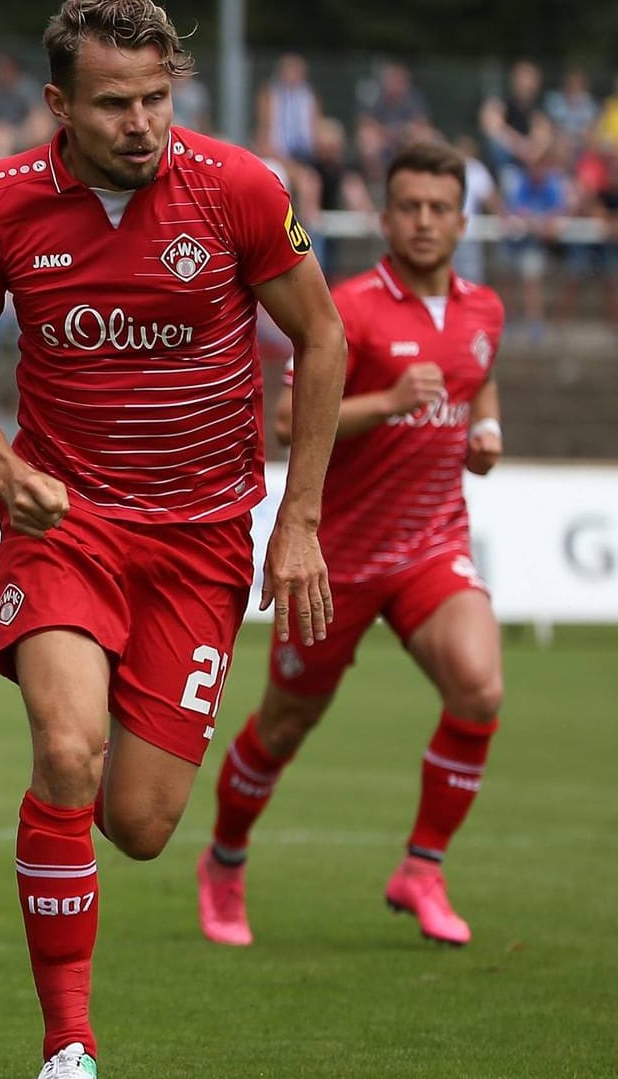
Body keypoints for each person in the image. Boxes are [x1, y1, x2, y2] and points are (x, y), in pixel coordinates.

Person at [0, 2, 345, 1075]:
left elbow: (323, 336)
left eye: (158, 97)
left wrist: (299, 520)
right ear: (59, 104)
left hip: (202, 540)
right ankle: (68, 1046)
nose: (143, 121)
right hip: (68, 524)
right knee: (67, 750)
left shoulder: (240, 189)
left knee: (142, 822)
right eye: (116, 103)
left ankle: (76, 853)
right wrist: (6, 472)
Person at [197, 141, 505, 950]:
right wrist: (392, 401)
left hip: (432, 546)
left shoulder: (485, 310)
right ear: (386, 215)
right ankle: (224, 860)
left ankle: (423, 867)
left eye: (441, 208)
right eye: (411, 206)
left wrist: (487, 429)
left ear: (463, 220)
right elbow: (292, 422)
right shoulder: (351, 308)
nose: (426, 221)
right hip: (334, 559)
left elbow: (478, 377)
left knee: (479, 687)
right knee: (286, 724)